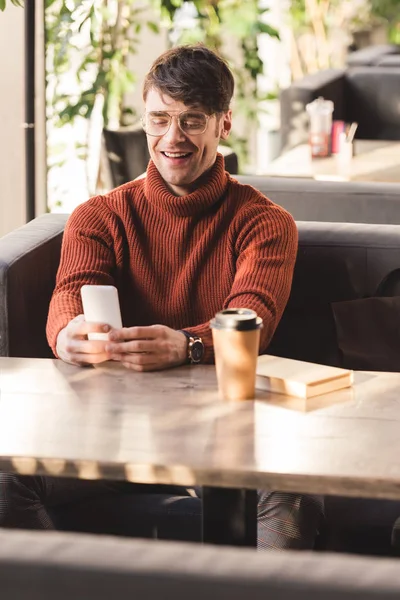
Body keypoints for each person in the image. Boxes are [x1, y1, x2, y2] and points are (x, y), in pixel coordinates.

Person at [0, 44, 323, 549]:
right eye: (160, 119)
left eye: (193, 121)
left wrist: (187, 346)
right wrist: (68, 335)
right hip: (110, 426)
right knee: (4, 479)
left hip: (227, 431)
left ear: (224, 124)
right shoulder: (99, 214)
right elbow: (68, 294)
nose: (173, 138)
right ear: (145, 121)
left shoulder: (266, 223)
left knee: (294, 494)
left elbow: (252, 317)